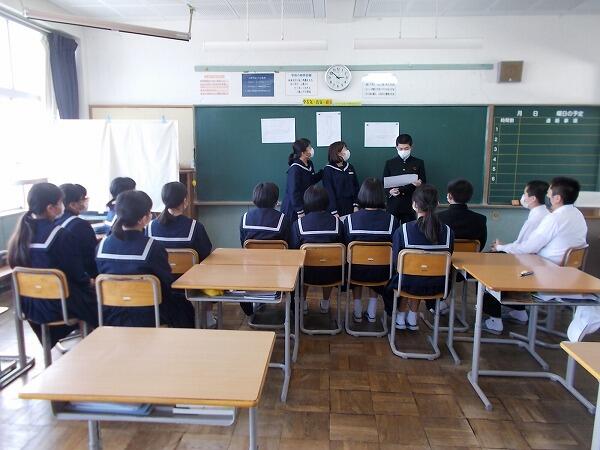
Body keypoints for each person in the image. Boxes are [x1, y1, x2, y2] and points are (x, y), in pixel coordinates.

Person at [485, 177, 588, 334]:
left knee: (489, 270)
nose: (547, 196)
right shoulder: (577, 214)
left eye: (550, 193)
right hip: (566, 274)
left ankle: (495, 319)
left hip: (543, 273)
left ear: (557, 198)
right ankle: (518, 312)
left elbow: (528, 247)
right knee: (504, 259)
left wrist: (501, 247)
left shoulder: (554, 218)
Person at [7, 183, 98, 346]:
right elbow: (77, 275)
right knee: (100, 297)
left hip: (28, 305)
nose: (62, 206)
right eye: (60, 202)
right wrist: (90, 282)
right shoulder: (60, 236)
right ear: (51, 208)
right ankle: (96, 347)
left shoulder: (20, 236)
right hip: (58, 305)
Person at [96, 190, 194, 328]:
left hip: (111, 315)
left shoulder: (102, 245)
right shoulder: (152, 247)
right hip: (150, 315)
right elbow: (165, 284)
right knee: (184, 305)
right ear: (144, 219)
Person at [382, 184, 454, 331]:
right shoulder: (448, 231)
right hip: (438, 285)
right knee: (422, 272)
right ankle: (412, 316)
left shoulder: (403, 230)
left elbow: (397, 263)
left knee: (409, 273)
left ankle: (401, 316)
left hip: (408, 283)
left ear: (414, 205)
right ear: (437, 204)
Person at [343, 178, 399, 323]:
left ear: (362, 195)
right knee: (375, 263)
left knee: (355, 262)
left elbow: (345, 247)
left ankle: (357, 310)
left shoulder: (350, 220)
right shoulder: (392, 220)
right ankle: (372, 311)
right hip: (382, 273)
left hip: (355, 272)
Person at [434, 178, 486, 314]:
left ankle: (438, 302)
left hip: (442, 267)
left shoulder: (439, 218)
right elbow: (481, 244)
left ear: (449, 196)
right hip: (469, 268)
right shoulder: (480, 219)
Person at [239, 182, 291, 316]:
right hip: (278, 271)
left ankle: (254, 305)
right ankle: (291, 309)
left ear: (255, 198)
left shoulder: (245, 218)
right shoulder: (283, 219)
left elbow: (243, 245)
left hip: (252, 270)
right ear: (275, 200)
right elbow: (288, 246)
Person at [290, 185, 344, 314]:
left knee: (302, 265)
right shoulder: (338, 223)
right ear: (327, 201)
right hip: (333, 275)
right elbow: (344, 247)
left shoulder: (298, 225)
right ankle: (325, 303)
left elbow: (294, 251)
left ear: (306, 202)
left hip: (306, 275)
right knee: (330, 262)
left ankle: (302, 303)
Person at [147, 181, 212, 262]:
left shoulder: (150, 227)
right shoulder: (195, 227)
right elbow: (206, 254)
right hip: (189, 270)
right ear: (185, 200)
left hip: (158, 270)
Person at [492, 180, 550, 251]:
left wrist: (499, 247)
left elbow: (522, 247)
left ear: (533, 199)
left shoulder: (534, 219)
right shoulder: (546, 212)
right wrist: (504, 246)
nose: (523, 197)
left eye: (525, 194)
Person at [56, 183, 98, 278]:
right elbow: (91, 257)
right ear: (72, 205)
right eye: (82, 200)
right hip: (79, 279)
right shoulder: (81, 225)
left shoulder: (53, 221)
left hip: (57, 278)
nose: (83, 204)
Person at [383, 134, 426, 224]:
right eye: (400, 149)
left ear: (411, 147)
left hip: (410, 205)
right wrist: (390, 192)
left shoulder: (418, 163)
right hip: (393, 204)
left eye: (406, 148)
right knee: (392, 229)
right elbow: (384, 183)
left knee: (410, 229)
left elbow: (424, 183)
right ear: (396, 148)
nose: (403, 151)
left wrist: (419, 184)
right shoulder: (390, 163)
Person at [281, 138, 322, 222]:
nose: (312, 149)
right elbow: (293, 191)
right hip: (294, 208)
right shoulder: (295, 169)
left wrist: (323, 173)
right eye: (309, 148)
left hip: (305, 203)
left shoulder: (309, 163)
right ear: (303, 153)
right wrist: (299, 210)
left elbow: (311, 180)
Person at [322, 141, 359, 218]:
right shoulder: (328, 169)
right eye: (344, 149)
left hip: (351, 206)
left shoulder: (350, 167)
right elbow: (329, 191)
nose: (347, 151)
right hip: (337, 207)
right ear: (338, 152)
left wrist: (356, 205)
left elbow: (356, 186)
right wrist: (334, 211)